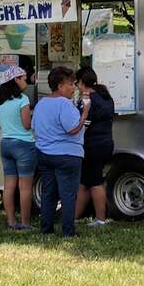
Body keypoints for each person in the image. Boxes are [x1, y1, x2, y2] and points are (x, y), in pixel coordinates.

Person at [32, 66, 90, 237]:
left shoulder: (41, 104)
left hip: (44, 153)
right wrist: (84, 115)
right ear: (60, 86)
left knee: (48, 192)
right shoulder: (65, 105)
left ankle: (46, 228)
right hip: (67, 154)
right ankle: (68, 231)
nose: (73, 88)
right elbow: (72, 129)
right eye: (70, 84)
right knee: (68, 194)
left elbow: (34, 127)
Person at [0, 65, 36, 229]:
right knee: (24, 187)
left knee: (8, 186)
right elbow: (26, 125)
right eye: (23, 78)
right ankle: (25, 222)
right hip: (24, 144)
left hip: (6, 144)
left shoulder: (0, 101)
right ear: (15, 80)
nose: (26, 81)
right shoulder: (22, 100)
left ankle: (11, 221)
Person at [74, 68, 115, 226]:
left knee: (95, 182)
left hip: (92, 145)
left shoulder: (87, 99)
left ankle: (100, 219)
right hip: (106, 142)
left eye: (77, 82)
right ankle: (74, 217)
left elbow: (81, 122)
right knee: (85, 182)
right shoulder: (105, 96)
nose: (76, 85)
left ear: (82, 82)